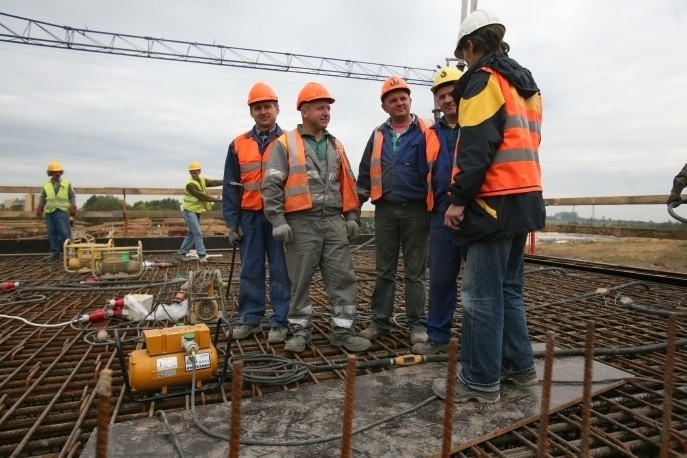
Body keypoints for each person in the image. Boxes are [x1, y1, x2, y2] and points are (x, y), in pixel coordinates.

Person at [432, 9, 545, 404]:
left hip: (491, 202)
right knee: (509, 291)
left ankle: (479, 381)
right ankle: (521, 369)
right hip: (525, 200)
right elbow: (529, 142)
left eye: (462, 54)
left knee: (480, 297)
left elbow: (477, 146)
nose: (463, 62)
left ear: (470, 46)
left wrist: (458, 200)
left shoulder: (483, 82)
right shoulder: (527, 86)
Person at [262, 81, 371, 354]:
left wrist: (351, 216)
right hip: (301, 223)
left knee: (343, 280)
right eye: (320, 107)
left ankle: (343, 333)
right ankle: (299, 333)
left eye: (328, 108)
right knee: (299, 283)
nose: (326, 112)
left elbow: (347, 183)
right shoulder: (285, 144)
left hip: (334, 222)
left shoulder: (336, 145)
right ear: (304, 111)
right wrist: (278, 221)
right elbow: (271, 185)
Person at [356, 75, 438, 345]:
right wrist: (354, 208)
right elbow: (366, 172)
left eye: (403, 98)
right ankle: (380, 322)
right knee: (384, 270)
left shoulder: (427, 130)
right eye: (393, 100)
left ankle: (417, 324)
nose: (399, 102)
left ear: (410, 101)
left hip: (416, 210)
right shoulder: (378, 133)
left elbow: (439, 167)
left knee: (415, 271)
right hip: (386, 210)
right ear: (385, 106)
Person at [222, 83, 291, 344]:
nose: (263, 111)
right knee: (250, 269)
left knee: (281, 270)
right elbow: (230, 186)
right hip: (249, 217)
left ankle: (280, 321)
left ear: (277, 109)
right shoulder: (238, 144)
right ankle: (250, 319)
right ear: (251, 112)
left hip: (279, 217)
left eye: (267, 106)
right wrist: (232, 222)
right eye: (257, 107)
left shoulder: (288, 141)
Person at [411, 67, 468, 355]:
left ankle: (476, 338)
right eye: (441, 95)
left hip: (475, 212)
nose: (447, 99)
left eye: (452, 93)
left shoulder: (478, 124)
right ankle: (438, 336)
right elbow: (423, 174)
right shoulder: (429, 135)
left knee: (477, 283)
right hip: (440, 215)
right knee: (441, 278)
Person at [177, 161, 222, 264]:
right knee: (197, 233)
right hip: (189, 211)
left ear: (199, 171)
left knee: (192, 233)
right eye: (191, 173)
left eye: (195, 172)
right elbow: (201, 196)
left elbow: (212, 182)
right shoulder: (190, 184)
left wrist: (225, 181)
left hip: (196, 211)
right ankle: (202, 255)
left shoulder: (201, 180)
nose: (193, 174)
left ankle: (182, 254)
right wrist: (216, 199)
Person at [36, 161, 77, 261]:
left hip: (61, 210)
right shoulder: (46, 185)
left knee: (64, 232)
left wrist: (72, 205)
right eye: (55, 172)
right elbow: (43, 197)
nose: (57, 174)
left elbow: (72, 195)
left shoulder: (66, 183)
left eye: (59, 172)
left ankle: (69, 253)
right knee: (52, 233)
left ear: (61, 173)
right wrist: (40, 207)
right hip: (50, 211)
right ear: (50, 173)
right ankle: (55, 253)